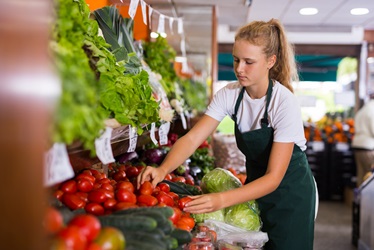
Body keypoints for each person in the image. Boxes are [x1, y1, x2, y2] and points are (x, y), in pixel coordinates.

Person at [138, 18, 316, 250]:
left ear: (270, 61)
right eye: (236, 59)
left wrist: (220, 200)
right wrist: (163, 169)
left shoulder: (284, 103)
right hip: (255, 188)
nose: (239, 68)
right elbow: (193, 138)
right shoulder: (230, 95)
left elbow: (274, 177)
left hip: (291, 195)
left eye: (248, 62)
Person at [352, 92, 374, 187]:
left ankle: (358, 200)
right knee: (370, 177)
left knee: (361, 176)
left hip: (358, 145)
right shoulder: (372, 109)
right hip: (368, 147)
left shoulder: (363, 109)